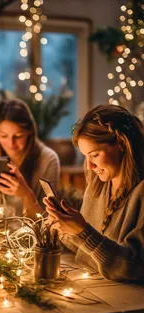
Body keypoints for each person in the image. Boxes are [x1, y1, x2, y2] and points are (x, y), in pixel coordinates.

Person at [43, 104, 144, 281]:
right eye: (86, 156)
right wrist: (64, 229)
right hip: (92, 283)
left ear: (121, 143)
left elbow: (132, 268)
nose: (89, 166)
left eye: (95, 155)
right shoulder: (99, 183)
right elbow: (88, 253)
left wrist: (82, 231)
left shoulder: (140, 193)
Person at [0, 98, 60, 218]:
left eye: (18, 136)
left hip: (29, 234)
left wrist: (26, 195)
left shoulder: (48, 160)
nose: (11, 143)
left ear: (30, 132)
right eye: (4, 136)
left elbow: (46, 220)